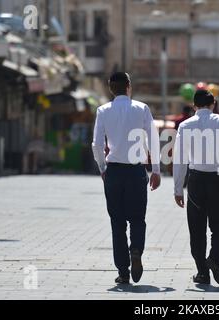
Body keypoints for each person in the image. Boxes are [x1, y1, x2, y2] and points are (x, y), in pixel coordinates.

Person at [92, 72, 161, 285]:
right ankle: (137, 250)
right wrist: (156, 170)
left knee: (117, 222)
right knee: (138, 219)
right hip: (136, 171)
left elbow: (96, 144)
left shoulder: (103, 111)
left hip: (113, 171)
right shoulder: (142, 108)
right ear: (129, 86)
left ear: (111, 88)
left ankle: (123, 271)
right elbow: (154, 138)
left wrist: (103, 167)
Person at [173, 90, 219, 287]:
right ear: (213, 104)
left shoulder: (185, 126)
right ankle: (214, 258)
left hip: (195, 181)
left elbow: (179, 160)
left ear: (194, 106)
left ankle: (202, 272)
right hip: (217, 179)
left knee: (196, 229)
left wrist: (178, 189)